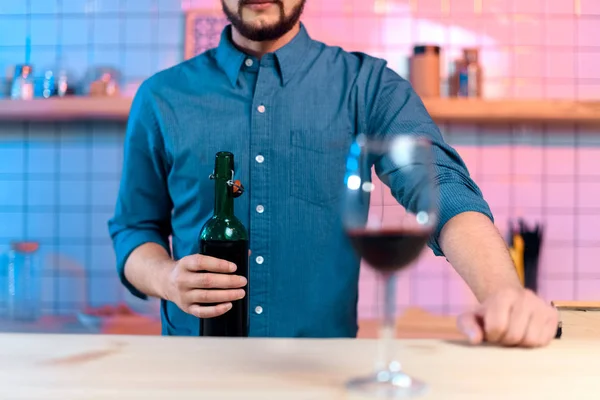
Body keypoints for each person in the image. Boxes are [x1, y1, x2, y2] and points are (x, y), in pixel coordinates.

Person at [108, 0, 558, 347]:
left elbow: (440, 186)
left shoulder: (368, 86)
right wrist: (165, 277)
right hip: (191, 372)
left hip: (324, 374)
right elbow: (134, 228)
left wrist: (503, 293)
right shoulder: (160, 97)